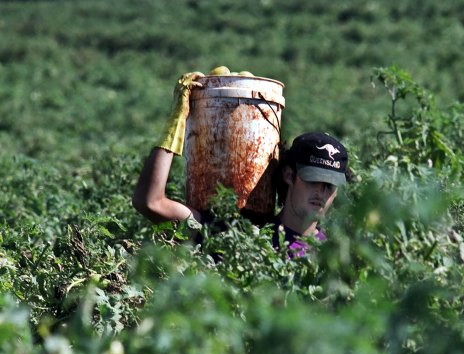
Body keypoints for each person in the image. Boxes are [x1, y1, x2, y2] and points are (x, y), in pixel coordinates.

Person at [132, 72, 349, 256]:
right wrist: (177, 122)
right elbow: (151, 202)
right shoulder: (235, 235)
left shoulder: (333, 256)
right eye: (313, 180)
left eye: (330, 185)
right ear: (289, 176)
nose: (321, 192)